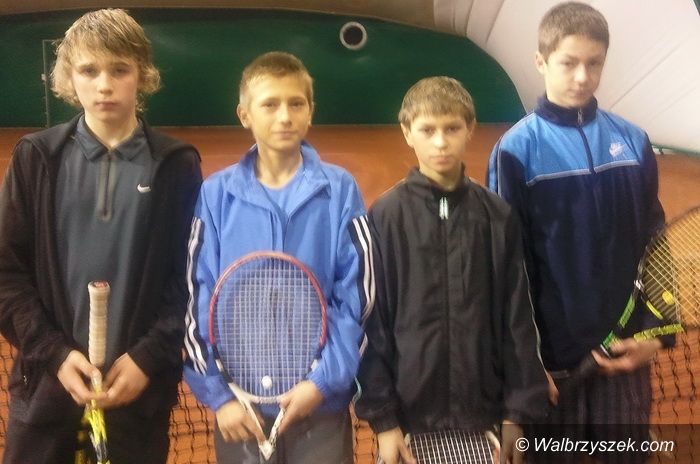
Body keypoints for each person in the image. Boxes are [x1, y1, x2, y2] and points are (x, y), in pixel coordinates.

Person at [0, 8, 202, 464]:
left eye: (119, 70)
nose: (104, 85)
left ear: (142, 75)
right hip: (46, 389)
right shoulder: (36, 158)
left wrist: (148, 357)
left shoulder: (176, 164)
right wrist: (53, 353)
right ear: (69, 79)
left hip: (138, 395)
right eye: (89, 71)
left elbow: (190, 279)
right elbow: (6, 274)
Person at [486, 2, 672, 462]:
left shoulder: (634, 142)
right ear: (541, 62)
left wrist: (656, 335)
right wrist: (523, 368)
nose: (583, 77)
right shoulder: (514, 152)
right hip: (552, 370)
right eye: (568, 63)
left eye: (594, 63)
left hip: (623, 360)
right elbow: (506, 271)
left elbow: (656, 243)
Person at [183, 51, 372, 464]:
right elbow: (197, 297)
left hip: (319, 410)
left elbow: (357, 298)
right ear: (244, 115)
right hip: (241, 412)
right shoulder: (216, 195)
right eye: (269, 104)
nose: (284, 116)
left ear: (310, 111)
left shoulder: (340, 190)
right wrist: (219, 397)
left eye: (296, 103)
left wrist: (322, 383)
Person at [355, 76, 549, 464]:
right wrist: (384, 420)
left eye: (452, 128)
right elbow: (373, 324)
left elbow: (517, 319)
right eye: (427, 130)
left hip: (484, 416)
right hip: (408, 423)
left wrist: (516, 412)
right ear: (407, 132)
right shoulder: (385, 216)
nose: (441, 142)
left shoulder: (497, 216)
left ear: (470, 128)